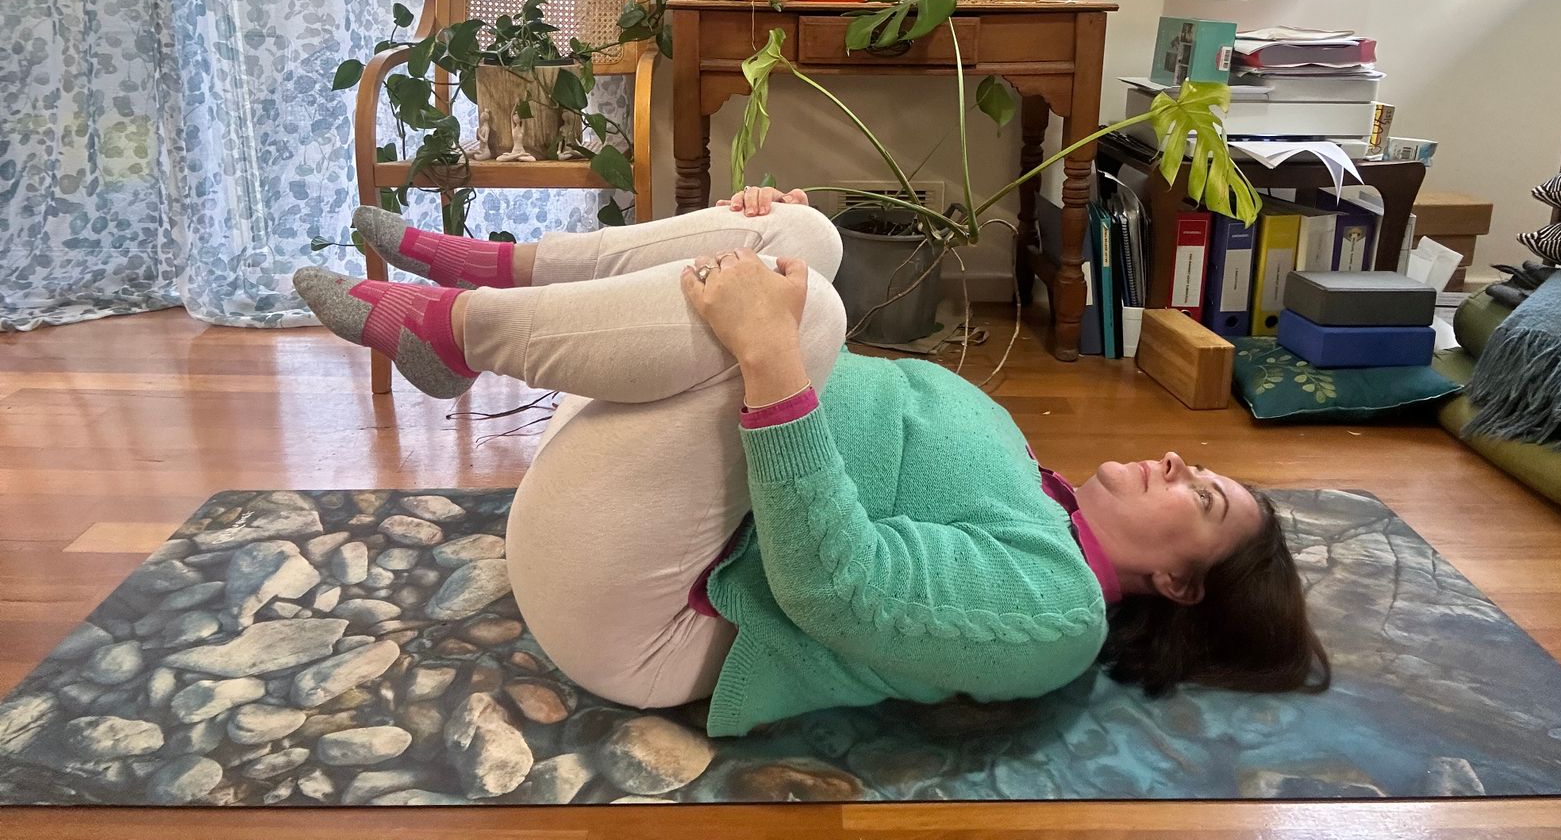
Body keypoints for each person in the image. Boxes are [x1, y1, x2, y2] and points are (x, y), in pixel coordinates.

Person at [294, 191, 1329, 737]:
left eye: (1199, 494)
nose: (1169, 462)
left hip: (641, 610)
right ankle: (490, 273)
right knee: (800, 234)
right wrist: (763, 275)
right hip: (644, 507)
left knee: (810, 312)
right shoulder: (1030, 484)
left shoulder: (1056, 615)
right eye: (1192, 465)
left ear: (1180, 583)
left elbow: (835, 586)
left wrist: (772, 347)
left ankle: (460, 330)